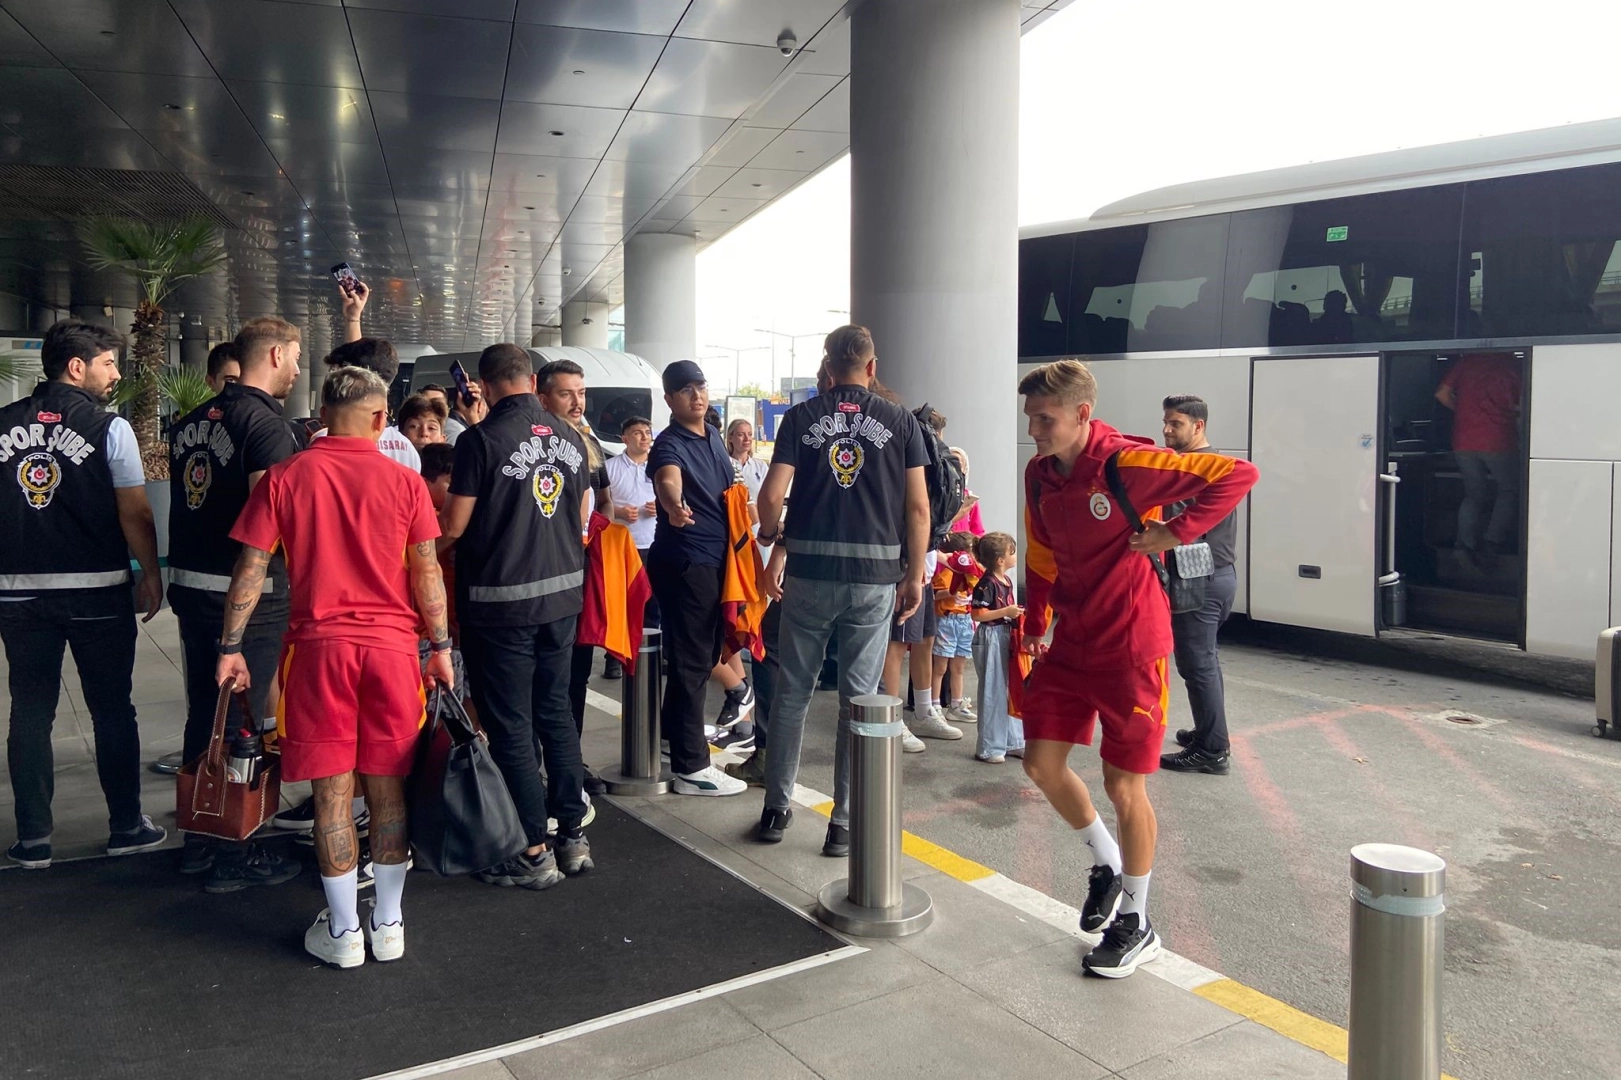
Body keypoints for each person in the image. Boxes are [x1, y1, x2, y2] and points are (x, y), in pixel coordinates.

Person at [1018, 359, 1257, 978]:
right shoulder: (1040, 472)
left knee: (1124, 786)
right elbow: (1042, 556)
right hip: (1072, 641)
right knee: (1041, 764)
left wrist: (1177, 532)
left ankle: (1137, 921)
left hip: (1131, 645)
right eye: (1030, 418)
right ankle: (1106, 863)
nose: (1033, 429)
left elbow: (1238, 474)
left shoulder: (1127, 463)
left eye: (1044, 419)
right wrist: (1036, 622)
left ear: (1082, 414)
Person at [218, 366, 451, 969]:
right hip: (393, 652)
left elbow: (250, 568)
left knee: (332, 792)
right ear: (381, 419)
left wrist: (230, 647)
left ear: (321, 416)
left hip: (318, 652)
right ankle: (389, 924)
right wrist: (442, 647)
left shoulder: (285, 476)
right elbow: (427, 571)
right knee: (388, 789)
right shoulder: (406, 482)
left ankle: (344, 932)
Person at [755, 326, 931, 850]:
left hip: (809, 575)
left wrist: (772, 536)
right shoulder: (900, 421)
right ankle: (844, 823)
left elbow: (771, 496)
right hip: (874, 580)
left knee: (793, 693)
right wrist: (914, 575)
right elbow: (918, 508)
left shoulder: (800, 418)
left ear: (828, 368)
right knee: (858, 701)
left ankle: (776, 809)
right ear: (872, 368)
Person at [0, 319, 167, 868]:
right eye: (109, 363)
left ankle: (33, 840)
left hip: (19, 594)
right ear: (78, 367)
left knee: (30, 712)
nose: (115, 374)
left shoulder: (2, 424)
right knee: (112, 709)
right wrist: (149, 572)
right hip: (97, 591)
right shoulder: (109, 428)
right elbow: (135, 511)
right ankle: (126, 826)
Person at [439, 343, 595, 886]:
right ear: (531, 381)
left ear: (483, 385)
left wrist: (412, 555)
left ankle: (532, 851)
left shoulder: (480, 441)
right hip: (562, 599)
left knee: (510, 724)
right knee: (556, 714)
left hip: (501, 604)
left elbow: (454, 526)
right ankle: (572, 835)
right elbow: (579, 515)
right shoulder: (570, 439)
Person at [164, 316, 306, 889]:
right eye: (295, 356)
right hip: (248, 599)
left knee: (206, 713)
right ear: (273, 354)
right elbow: (266, 525)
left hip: (192, 586)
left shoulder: (191, 422)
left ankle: (199, 839)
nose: (297, 367)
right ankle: (233, 852)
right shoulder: (266, 425)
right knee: (242, 721)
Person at [645, 360, 748, 797]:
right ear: (670, 399)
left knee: (703, 654)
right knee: (691, 660)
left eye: (700, 386)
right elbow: (667, 481)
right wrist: (673, 504)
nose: (696, 395)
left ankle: (672, 737)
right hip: (688, 560)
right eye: (685, 389)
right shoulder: (669, 444)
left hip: (715, 559)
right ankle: (692, 768)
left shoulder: (712, 438)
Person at [536, 358, 620, 778]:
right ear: (543, 397)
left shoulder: (589, 444)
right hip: (538, 576)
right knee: (540, 679)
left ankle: (570, 764)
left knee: (576, 674)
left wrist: (599, 530)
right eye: (566, 393)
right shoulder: (532, 445)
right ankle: (534, 765)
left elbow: (604, 500)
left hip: (582, 573)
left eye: (581, 393)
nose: (577, 402)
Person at [1158, 395, 1241, 776]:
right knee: (1205, 659)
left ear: (1198, 425)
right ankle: (1208, 731)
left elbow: (1173, 529)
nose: (1166, 430)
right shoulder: (1213, 463)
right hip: (1219, 575)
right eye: (1165, 422)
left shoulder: (1195, 469)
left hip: (1198, 580)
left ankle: (1212, 750)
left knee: (1197, 664)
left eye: (1175, 423)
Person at [1435, 353, 1522, 564]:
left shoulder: (1466, 362)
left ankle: (1464, 547)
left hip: (1463, 439)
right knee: (1509, 489)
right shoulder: (1513, 363)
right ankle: (1492, 542)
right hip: (1499, 439)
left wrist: (1463, 411)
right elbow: (1524, 404)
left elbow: (1442, 394)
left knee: (1473, 494)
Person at [970, 531, 1025, 763]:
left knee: (1011, 686)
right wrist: (1006, 612)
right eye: (1012, 553)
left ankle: (1013, 740)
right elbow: (978, 614)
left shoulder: (1007, 581)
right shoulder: (987, 584)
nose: (1015, 556)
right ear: (1001, 560)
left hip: (1005, 634)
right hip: (990, 635)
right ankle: (990, 746)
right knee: (993, 687)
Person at [930, 531, 979, 723]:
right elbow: (934, 595)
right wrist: (951, 593)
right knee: (940, 667)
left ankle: (956, 705)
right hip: (947, 621)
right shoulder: (946, 574)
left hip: (965, 621)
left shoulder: (973, 575)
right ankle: (934, 705)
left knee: (959, 667)